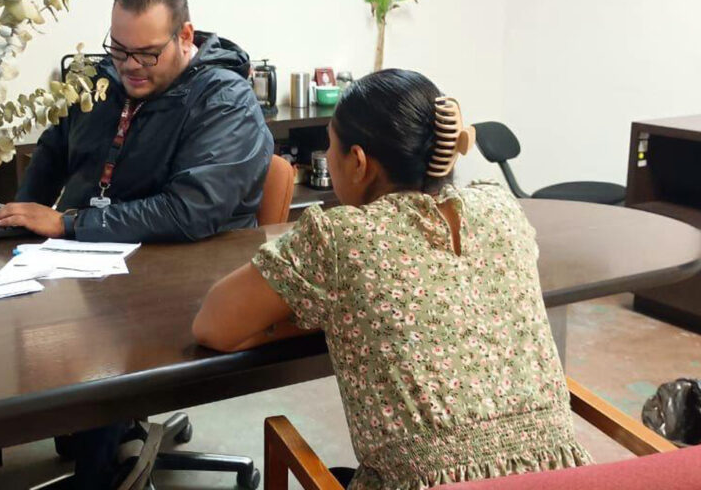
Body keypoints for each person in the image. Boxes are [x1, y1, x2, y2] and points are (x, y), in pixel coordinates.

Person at [193, 69, 591, 489]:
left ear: (359, 162)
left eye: (330, 145)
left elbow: (213, 326)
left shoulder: (341, 237)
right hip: (564, 479)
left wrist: (316, 315)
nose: (327, 155)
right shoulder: (501, 208)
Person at [0, 0, 274, 243]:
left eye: (147, 54)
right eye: (119, 48)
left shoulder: (227, 101)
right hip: (84, 255)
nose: (130, 65)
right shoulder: (102, 81)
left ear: (185, 37)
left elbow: (189, 212)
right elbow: (53, 152)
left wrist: (68, 223)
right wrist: (16, 223)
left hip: (188, 264)